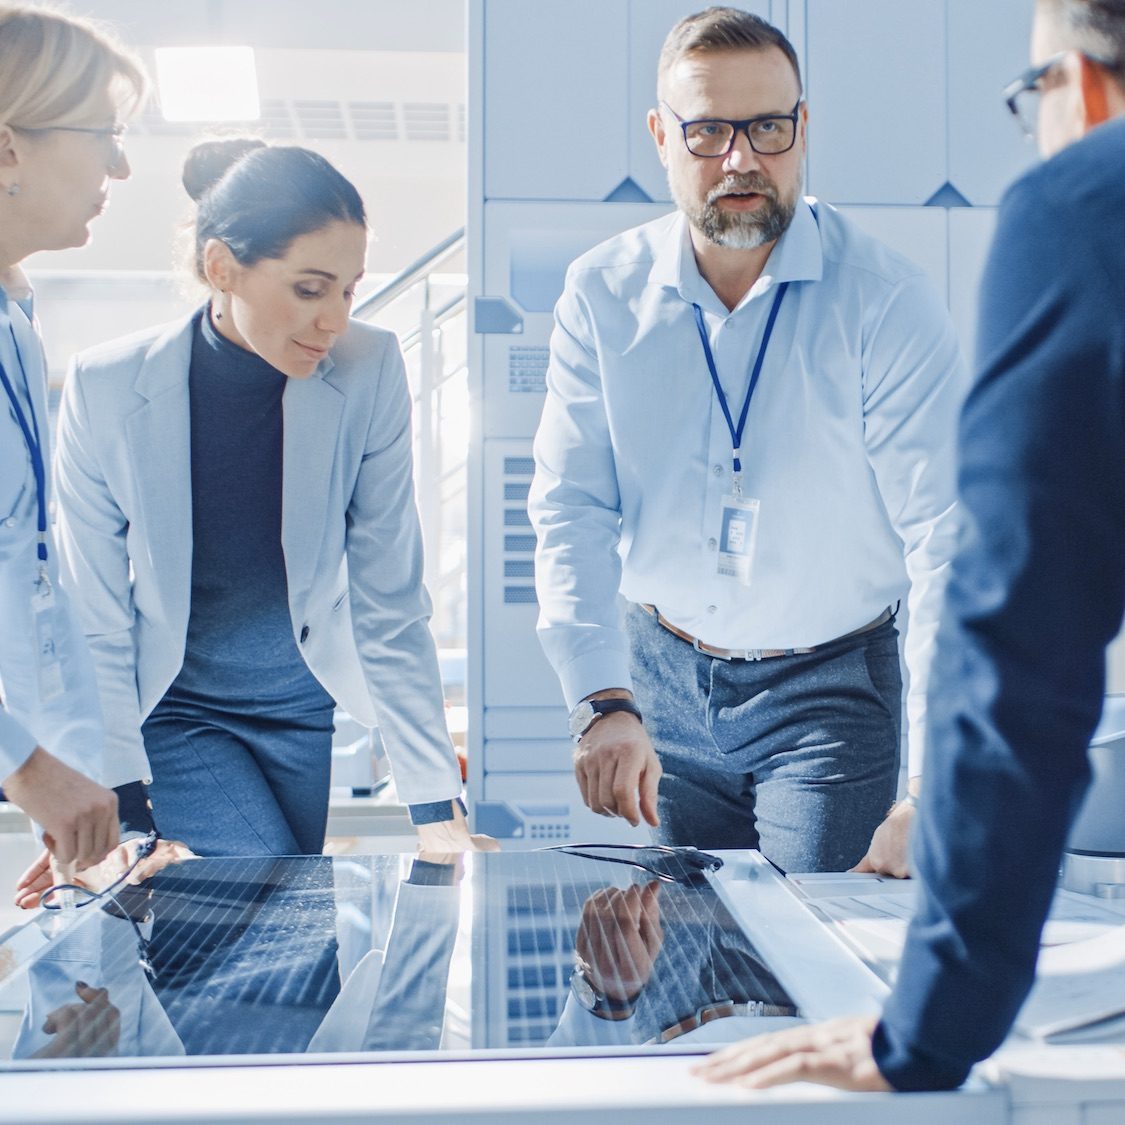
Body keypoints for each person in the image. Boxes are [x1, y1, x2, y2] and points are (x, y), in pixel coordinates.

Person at [694, 0, 1125, 1092]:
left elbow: (1019, 632)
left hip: (835, 680)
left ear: (1081, 87)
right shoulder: (614, 293)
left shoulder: (1083, 204)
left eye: (1034, 96)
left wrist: (932, 1023)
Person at [528, 6, 965, 874]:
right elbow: (570, 502)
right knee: (689, 963)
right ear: (660, 136)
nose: (741, 159)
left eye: (767, 127)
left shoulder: (882, 298)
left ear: (803, 130)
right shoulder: (601, 293)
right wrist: (600, 696)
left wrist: (940, 779)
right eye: (707, 131)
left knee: (812, 946)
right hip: (659, 673)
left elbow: (950, 534)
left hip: (827, 689)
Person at [51, 138, 494, 857]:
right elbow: (95, 614)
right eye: (310, 289)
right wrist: (125, 802)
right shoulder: (106, 387)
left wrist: (434, 803)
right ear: (220, 266)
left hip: (303, 710)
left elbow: (389, 599)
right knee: (267, 888)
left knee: (295, 945)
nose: (336, 320)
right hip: (181, 713)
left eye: (349, 290)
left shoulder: (370, 368)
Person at [0, 4, 148, 879]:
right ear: (9, 147)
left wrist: (76, 786)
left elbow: (32, 587)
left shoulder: (19, 318)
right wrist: (28, 767)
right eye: (103, 135)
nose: (120, 165)